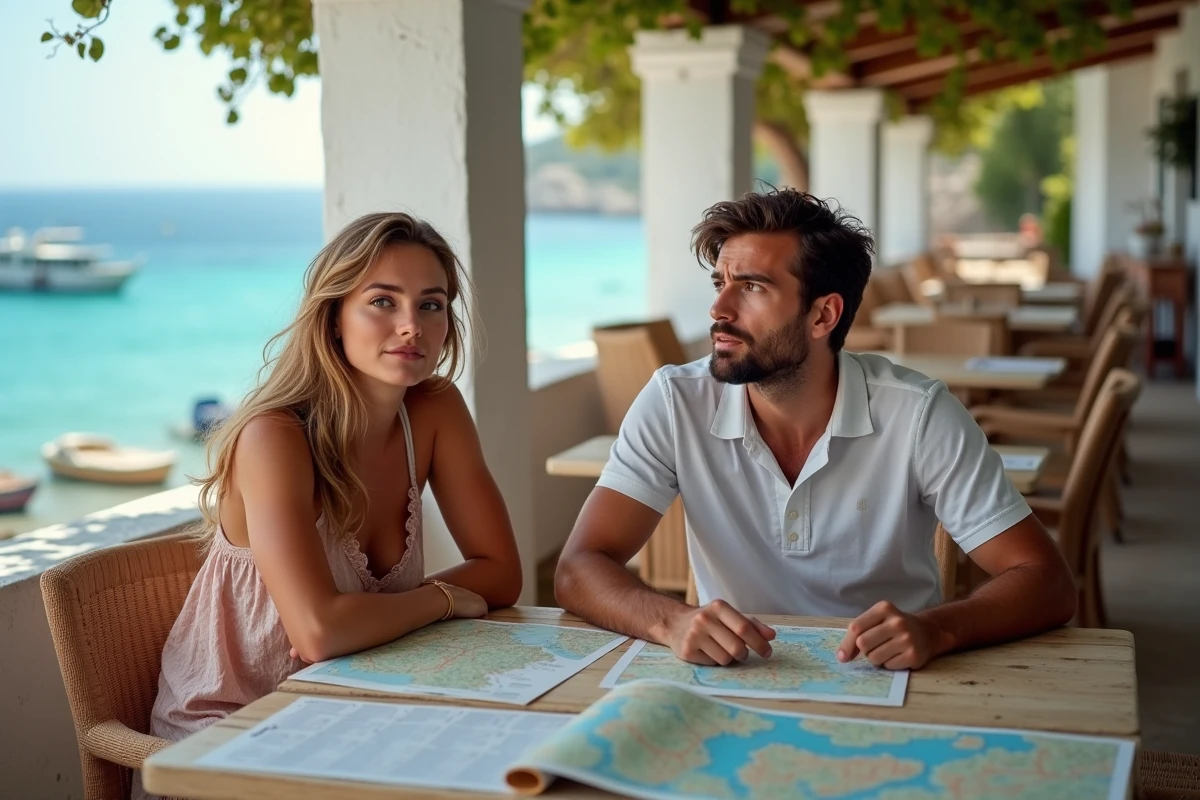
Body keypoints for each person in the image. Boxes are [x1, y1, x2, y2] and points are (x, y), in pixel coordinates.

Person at [555, 189, 1075, 672]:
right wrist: (672, 621)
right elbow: (579, 567)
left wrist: (937, 629)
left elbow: (1046, 580)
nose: (719, 309)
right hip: (735, 679)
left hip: (887, 680)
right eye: (720, 283)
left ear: (823, 314)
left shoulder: (917, 414)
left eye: (752, 287)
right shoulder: (676, 402)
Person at [136, 212, 522, 797]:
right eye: (382, 302)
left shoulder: (435, 411)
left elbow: (502, 573)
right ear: (334, 316)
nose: (411, 326)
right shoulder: (274, 437)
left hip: (353, 708)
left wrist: (363, 620)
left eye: (431, 305)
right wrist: (444, 596)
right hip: (231, 736)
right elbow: (318, 634)